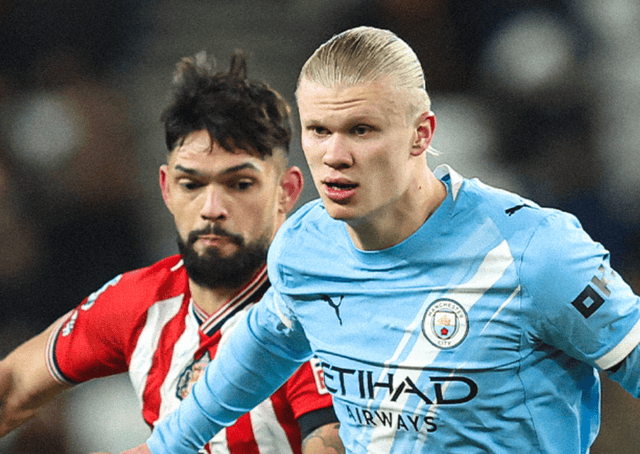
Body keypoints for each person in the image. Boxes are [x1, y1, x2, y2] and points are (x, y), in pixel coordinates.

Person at [119, 26, 640, 454]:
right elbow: (260, 349)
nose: (334, 155)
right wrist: (163, 447)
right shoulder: (304, 248)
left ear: (421, 134)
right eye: (318, 130)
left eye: (361, 130)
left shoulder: (533, 252)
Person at [0, 51, 344, 454]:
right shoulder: (139, 303)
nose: (212, 208)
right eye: (191, 184)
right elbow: (13, 387)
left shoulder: (319, 311)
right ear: (166, 188)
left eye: (240, 184)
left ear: (287, 191)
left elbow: (332, 442)